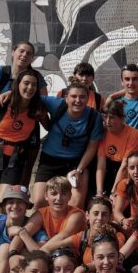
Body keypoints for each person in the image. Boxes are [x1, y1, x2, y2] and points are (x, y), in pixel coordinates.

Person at [0, 68, 45, 218]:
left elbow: (49, 125)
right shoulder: (3, 102)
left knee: (3, 202)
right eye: (26, 83)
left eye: (34, 84)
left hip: (16, 159)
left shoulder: (38, 108)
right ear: (18, 84)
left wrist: (43, 116)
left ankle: (3, 232)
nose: (30, 87)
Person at [33, 80, 103, 209]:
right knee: (39, 201)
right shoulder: (57, 104)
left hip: (76, 162)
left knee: (75, 205)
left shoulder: (94, 117)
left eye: (82, 97)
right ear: (66, 97)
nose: (78, 100)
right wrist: (7, 94)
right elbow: (31, 95)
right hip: (50, 159)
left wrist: (79, 170)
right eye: (74, 96)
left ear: (88, 98)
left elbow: (92, 147)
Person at [96, 100, 138, 199]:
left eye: (112, 117)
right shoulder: (103, 132)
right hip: (109, 168)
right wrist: (99, 192)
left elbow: (124, 166)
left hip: (126, 170)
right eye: (105, 117)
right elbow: (101, 164)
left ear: (122, 118)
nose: (107, 121)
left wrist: (113, 193)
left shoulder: (133, 134)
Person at [112, 152, 138, 230]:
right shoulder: (124, 184)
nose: (136, 171)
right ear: (127, 169)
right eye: (132, 168)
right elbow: (117, 212)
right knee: (114, 225)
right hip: (135, 224)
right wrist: (124, 221)